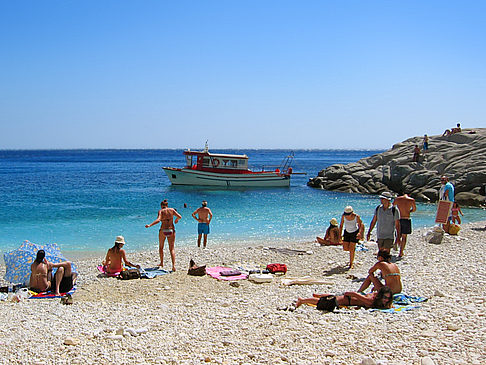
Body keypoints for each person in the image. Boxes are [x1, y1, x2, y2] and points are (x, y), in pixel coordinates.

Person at [145, 199, 182, 271]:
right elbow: (180, 216)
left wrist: (150, 225)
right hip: (171, 230)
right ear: (167, 205)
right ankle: (173, 266)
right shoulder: (172, 210)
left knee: (161, 247)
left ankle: (162, 263)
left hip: (163, 230)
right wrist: (176, 220)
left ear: (161, 206)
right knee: (171, 249)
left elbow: (158, 220)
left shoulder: (161, 211)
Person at [296, 286, 393, 310]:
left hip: (345, 300)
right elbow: (354, 294)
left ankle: (304, 300)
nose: (386, 300)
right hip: (345, 300)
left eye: (388, 299)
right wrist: (348, 294)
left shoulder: (373, 299)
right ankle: (303, 300)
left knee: (326, 299)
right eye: (385, 297)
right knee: (321, 301)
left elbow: (356, 295)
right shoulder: (371, 300)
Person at [393, 193, 416, 257]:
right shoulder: (411, 200)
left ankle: (396, 242)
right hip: (406, 218)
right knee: (404, 236)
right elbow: (414, 209)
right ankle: (401, 252)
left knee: (398, 234)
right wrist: (409, 211)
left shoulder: (397, 199)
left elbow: (392, 207)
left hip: (398, 218)